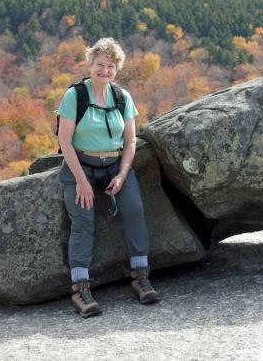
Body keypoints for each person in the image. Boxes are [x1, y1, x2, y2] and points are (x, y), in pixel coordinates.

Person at [57, 37, 159, 318]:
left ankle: (140, 276)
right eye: (100, 65)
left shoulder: (121, 97)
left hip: (115, 165)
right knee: (83, 219)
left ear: (117, 69)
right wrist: (80, 180)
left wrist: (123, 174)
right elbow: (64, 140)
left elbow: (131, 142)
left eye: (110, 66)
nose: (105, 71)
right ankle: (80, 289)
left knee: (135, 210)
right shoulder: (75, 96)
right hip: (82, 165)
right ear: (90, 65)